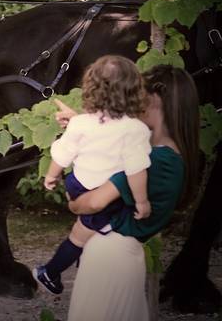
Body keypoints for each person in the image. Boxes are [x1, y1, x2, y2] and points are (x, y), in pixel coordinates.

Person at [65, 65, 200, 320]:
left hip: (109, 258)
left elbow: (93, 202)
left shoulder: (156, 160)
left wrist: (75, 204)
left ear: (156, 99)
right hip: (118, 256)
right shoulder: (163, 154)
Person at [35, 55, 153, 294]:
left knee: (83, 233)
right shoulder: (135, 130)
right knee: (80, 238)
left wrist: (51, 176)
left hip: (77, 184)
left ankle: (62, 269)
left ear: (91, 88)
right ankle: (51, 272)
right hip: (104, 195)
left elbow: (62, 154)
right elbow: (136, 170)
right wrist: (142, 201)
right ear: (134, 91)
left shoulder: (80, 123)